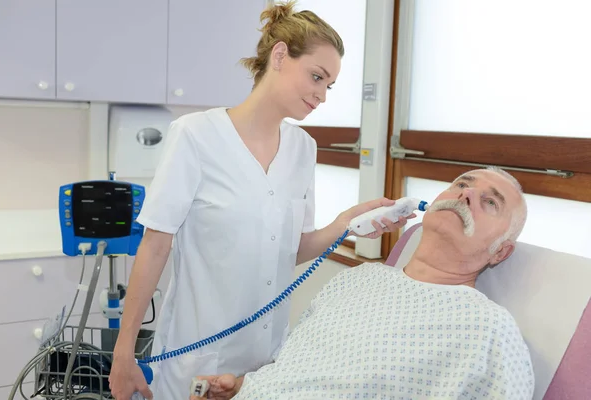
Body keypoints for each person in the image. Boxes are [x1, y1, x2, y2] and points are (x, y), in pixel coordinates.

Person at [108, 2, 414, 399]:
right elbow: (155, 246)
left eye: (329, 86)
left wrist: (346, 221)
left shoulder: (303, 148)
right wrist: (124, 351)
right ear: (281, 55)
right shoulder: (196, 136)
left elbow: (292, 250)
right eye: (317, 77)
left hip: (268, 369)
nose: (322, 95)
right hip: (198, 361)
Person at [190, 167, 536, 400]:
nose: (466, 195)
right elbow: (299, 367)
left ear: (500, 252)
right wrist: (242, 387)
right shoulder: (358, 279)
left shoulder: (488, 328)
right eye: (462, 184)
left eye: (490, 202)